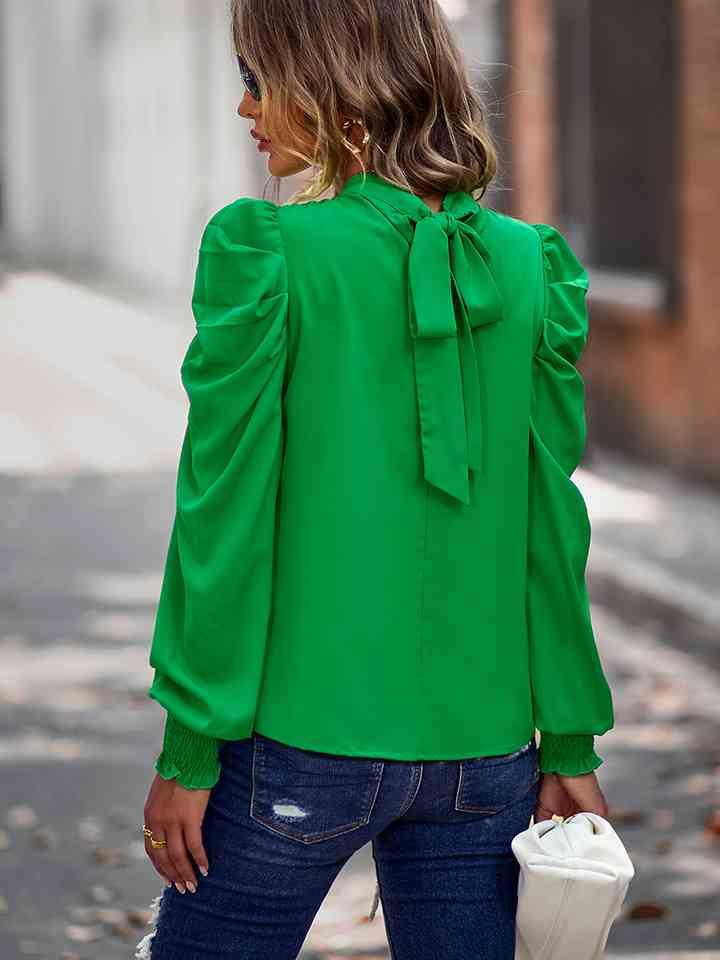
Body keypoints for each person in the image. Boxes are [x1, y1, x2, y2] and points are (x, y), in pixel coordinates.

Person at [136, 1, 615, 957]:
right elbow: (551, 531)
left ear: (328, 86)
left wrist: (191, 744)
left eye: (256, 79)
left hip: (301, 748)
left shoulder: (267, 252)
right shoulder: (529, 266)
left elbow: (224, 522)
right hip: (486, 763)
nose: (247, 109)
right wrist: (568, 744)